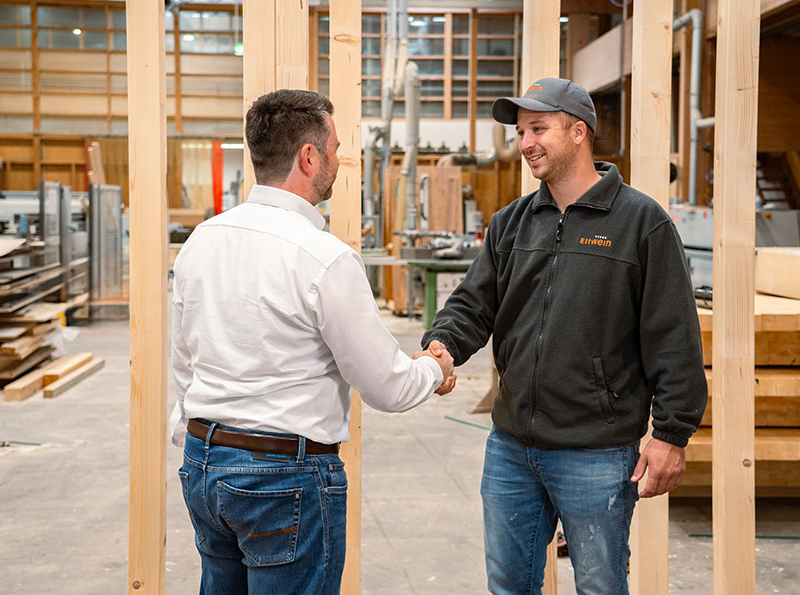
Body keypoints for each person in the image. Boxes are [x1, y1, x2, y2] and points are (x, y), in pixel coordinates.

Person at [420, 77, 707, 595]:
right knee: (509, 586)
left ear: (579, 132)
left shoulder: (641, 223)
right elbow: (472, 303)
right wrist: (442, 347)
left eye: (538, 128)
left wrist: (671, 434)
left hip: (595, 451)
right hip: (510, 447)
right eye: (521, 131)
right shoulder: (511, 223)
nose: (525, 142)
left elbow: (674, 337)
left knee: (599, 587)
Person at [169, 89, 456, 595]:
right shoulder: (324, 257)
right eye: (337, 150)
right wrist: (435, 366)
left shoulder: (202, 239)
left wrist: (197, 440)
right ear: (308, 157)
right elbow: (387, 386)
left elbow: (184, 363)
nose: (339, 163)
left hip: (204, 464)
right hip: (284, 479)